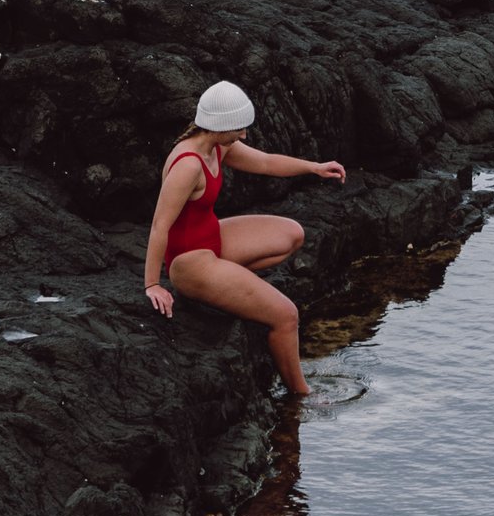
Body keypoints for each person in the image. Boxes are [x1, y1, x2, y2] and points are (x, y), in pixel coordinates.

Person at [145, 80, 345, 396]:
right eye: (239, 129)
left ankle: (229, 285)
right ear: (219, 125)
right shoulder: (188, 165)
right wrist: (153, 284)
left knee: (292, 234)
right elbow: (159, 225)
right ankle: (301, 396)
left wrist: (315, 167)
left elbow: (265, 162)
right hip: (189, 263)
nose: (244, 135)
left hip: (212, 238)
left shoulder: (216, 145)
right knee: (286, 316)